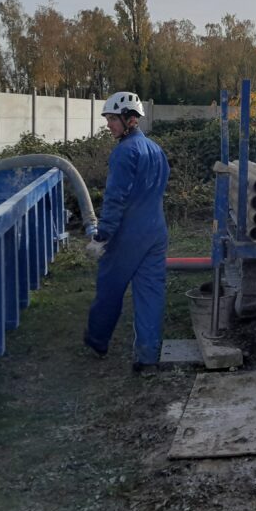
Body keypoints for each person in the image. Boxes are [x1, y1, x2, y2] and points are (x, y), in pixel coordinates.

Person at [84, 91, 170, 374]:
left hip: (127, 235)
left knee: (109, 290)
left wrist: (102, 235)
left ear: (130, 120)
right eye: (108, 119)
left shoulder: (124, 153)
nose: (109, 125)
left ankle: (97, 342)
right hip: (156, 233)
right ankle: (147, 359)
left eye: (112, 119)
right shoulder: (156, 150)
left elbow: (115, 198)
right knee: (150, 295)